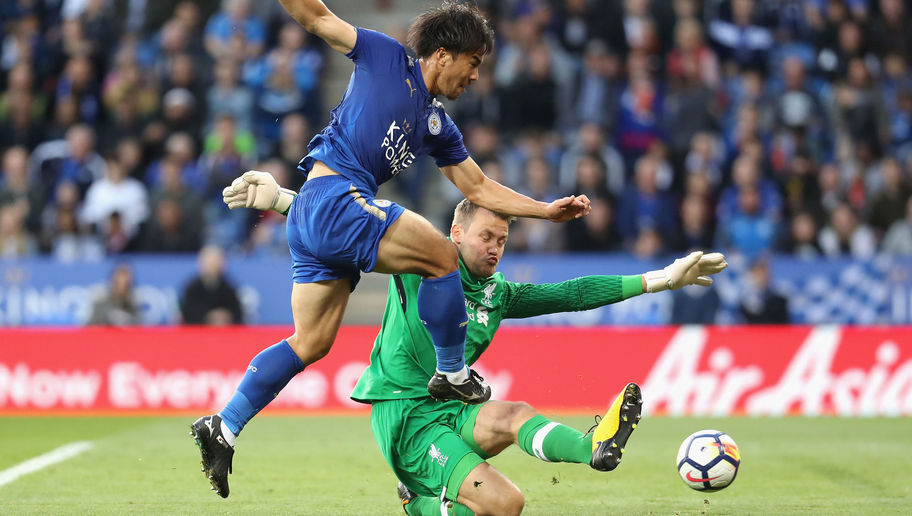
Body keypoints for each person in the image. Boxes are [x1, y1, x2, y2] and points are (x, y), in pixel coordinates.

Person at [191, 0, 591, 499]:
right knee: (444, 257)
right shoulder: (383, 57)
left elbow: (480, 187)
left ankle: (224, 427)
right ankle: (451, 373)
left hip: (314, 216)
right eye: (473, 63)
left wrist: (545, 210)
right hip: (337, 198)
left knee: (311, 342)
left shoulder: (438, 124)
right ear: (443, 55)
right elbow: (317, 18)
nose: (475, 77)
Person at [224, 173, 728, 514]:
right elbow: (347, 229)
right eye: (486, 236)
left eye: (503, 241)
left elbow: (573, 294)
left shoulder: (499, 293)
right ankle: (419, 501)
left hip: (450, 408)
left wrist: (662, 278)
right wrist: (283, 200)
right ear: (457, 232)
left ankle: (594, 448)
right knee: (507, 504)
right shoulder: (421, 264)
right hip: (406, 418)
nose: (495, 248)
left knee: (514, 413)